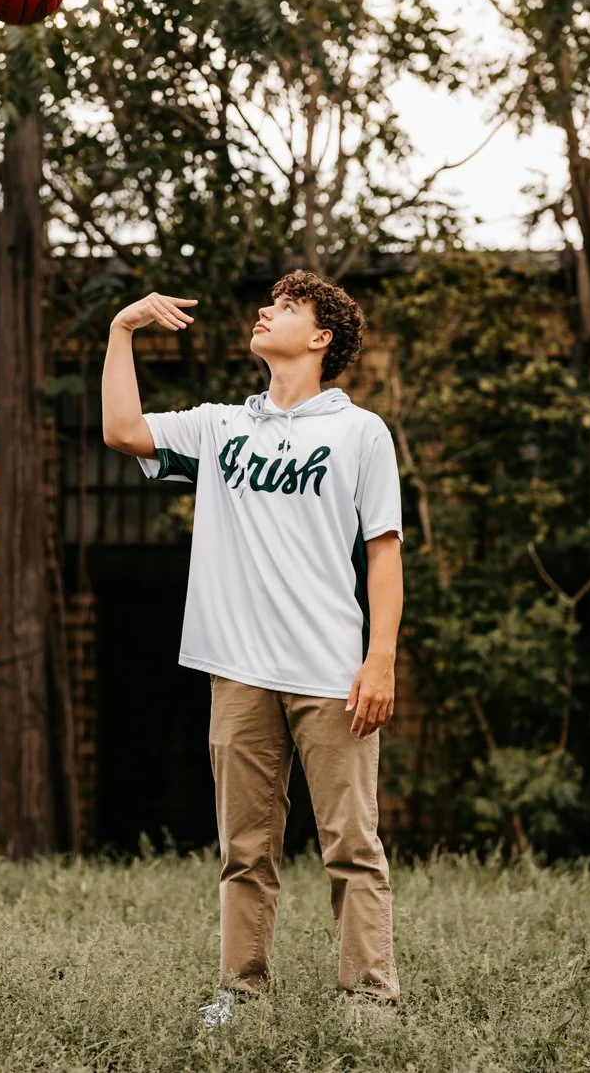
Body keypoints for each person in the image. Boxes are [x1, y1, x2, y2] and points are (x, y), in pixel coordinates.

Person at [101, 270, 403, 1026]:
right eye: (269, 303)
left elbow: (385, 553)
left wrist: (381, 657)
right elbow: (122, 430)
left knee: (353, 846)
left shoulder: (360, 431)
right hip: (237, 674)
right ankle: (244, 997)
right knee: (245, 851)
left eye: (288, 307)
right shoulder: (220, 427)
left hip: (332, 672)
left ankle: (369, 1003)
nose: (265, 312)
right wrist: (122, 330)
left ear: (322, 336)